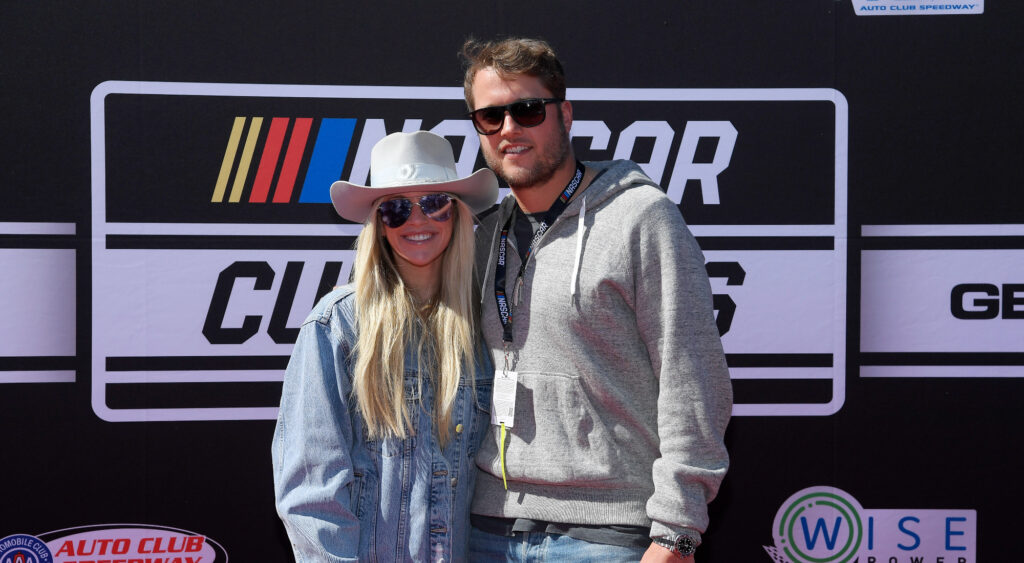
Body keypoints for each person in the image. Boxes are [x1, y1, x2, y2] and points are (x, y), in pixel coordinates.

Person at [460, 38, 733, 562]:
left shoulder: (640, 218)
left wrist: (676, 532)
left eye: (527, 110)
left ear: (564, 113)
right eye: (490, 117)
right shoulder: (481, 237)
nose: (509, 129)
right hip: (487, 530)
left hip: (607, 537)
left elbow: (694, 378)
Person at [272, 130, 499, 562]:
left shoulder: (486, 322)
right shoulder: (337, 323)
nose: (417, 220)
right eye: (395, 208)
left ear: (457, 214)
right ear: (378, 224)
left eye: (434, 202)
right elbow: (310, 494)